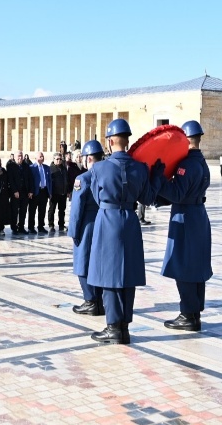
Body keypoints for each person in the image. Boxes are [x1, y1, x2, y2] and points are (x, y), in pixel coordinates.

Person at [87, 119, 161, 344]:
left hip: (108, 220)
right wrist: (156, 175)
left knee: (109, 275)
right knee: (127, 275)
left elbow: (96, 197)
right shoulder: (140, 168)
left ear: (110, 142)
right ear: (127, 141)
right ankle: (125, 327)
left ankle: (113, 328)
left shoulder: (99, 167)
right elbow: (148, 198)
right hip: (130, 220)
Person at [158, 121, 212, 331]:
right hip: (198, 216)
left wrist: (158, 179)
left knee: (184, 267)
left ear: (186, 139)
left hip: (185, 217)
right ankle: (194, 313)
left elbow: (176, 193)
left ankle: (187, 315)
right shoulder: (202, 162)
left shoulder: (186, 165)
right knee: (196, 266)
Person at [68, 140, 105, 317]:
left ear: (89, 158)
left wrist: (73, 231)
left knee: (82, 262)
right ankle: (99, 300)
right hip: (104, 223)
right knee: (98, 263)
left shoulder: (82, 179)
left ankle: (90, 300)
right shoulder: (107, 175)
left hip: (86, 225)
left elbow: (76, 209)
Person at [6, 148, 32, 234]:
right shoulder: (11, 166)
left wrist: (30, 191)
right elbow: (10, 180)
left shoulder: (26, 166)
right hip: (15, 193)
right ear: (14, 157)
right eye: (18, 156)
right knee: (14, 211)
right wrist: (14, 191)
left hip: (24, 192)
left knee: (23, 211)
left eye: (21, 156)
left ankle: (21, 227)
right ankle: (14, 227)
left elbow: (30, 178)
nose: (20, 158)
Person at [27, 151, 52, 234]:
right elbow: (30, 181)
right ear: (36, 158)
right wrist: (30, 191)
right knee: (32, 211)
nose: (42, 158)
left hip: (44, 191)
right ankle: (31, 227)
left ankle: (41, 226)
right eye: (40, 156)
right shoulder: (31, 168)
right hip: (34, 192)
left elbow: (49, 180)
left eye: (43, 156)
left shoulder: (47, 168)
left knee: (42, 210)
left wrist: (50, 192)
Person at [47, 152, 68, 232]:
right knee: (52, 209)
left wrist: (67, 190)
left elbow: (67, 180)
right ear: (54, 159)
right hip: (54, 193)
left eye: (60, 159)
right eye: (57, 159)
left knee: (62, 210)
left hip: (63, 193)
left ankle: (61, 225)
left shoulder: (64, 168)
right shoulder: (51, 169)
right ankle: (51, 225)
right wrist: (50, 193)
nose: (59, 161)